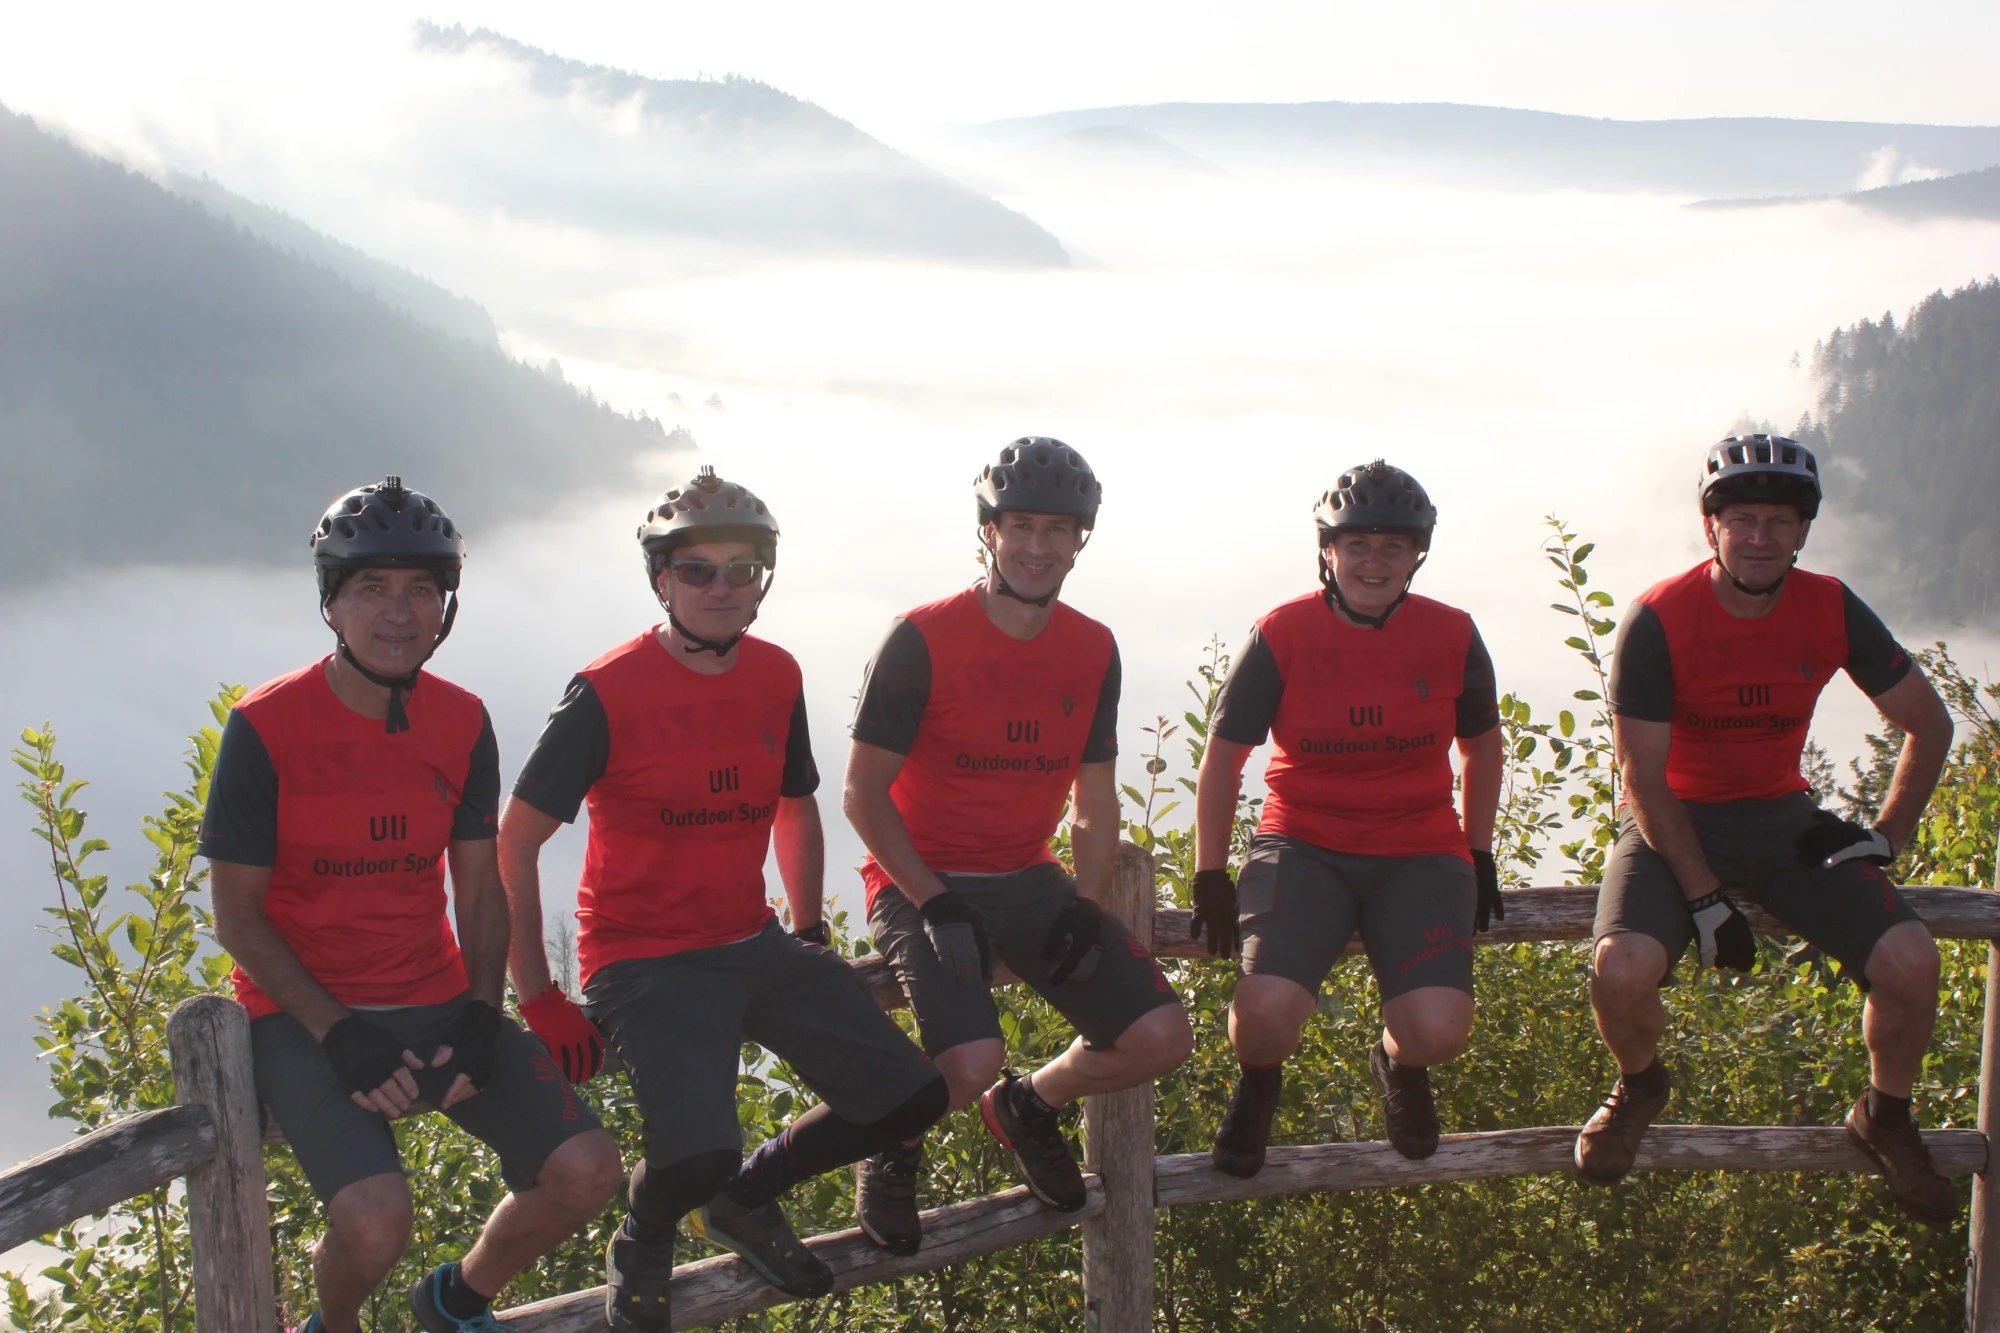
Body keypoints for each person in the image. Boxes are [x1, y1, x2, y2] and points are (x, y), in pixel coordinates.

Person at [499, 467, 948, 1333]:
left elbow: (793, 803)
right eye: (696, 569)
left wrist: (810, 928)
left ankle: (747, 1198)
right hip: (642, 956)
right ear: (661, 579)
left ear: (763, 580)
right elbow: (512, 841)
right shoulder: (605, 691)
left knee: (910, 1095)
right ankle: (647, 1229)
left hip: (753, 940)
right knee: (696, 1151)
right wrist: (540, 997)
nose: (721, 587)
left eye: (742, 570)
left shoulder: (776, 673)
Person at [202, 477, 622, 1333]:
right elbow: (237, 915)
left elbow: (476, 884)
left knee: (588, 1169)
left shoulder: (462, 720)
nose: (399, 613)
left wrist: (482, 1009)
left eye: (421, 589)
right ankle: (334, 1324)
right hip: (301, 1013)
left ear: (446, 606)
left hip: (435, 995)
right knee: (373, 1221)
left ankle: (454, 1300)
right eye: (371, 587)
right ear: (332, 604)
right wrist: (338, 1031)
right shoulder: (266, 727)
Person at [1576, 435, 1957, 1226]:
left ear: (1803, 531)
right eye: (1741, 518)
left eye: (1779, 521)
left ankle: (1885, 1115)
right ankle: (1639, 1083)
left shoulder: (1830, 604)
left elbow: (1930, 723)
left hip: (1782, 816)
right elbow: (1643, 779)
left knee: (1913, 960)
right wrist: (1704, 897)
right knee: (1619, 969)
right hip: (1672, 817)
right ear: (1711, 526)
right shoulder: (1661, 617)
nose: (1759, 537)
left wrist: (1890, 832)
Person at [844, 438, 1194, 1254]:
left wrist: (1084, 900)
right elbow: (862, 795)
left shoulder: (1092, 646)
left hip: (1028, 877)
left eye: (1058, 529)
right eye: (1020, 525)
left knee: (1161, 1039)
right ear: (989, 532)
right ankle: (892, 1145)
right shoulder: (920, 638)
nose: (1037, 545)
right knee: (966, 1062)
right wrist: (934, 901)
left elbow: (1095, 795)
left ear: (1081, 539)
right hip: (917, 876)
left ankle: (1032, 1103)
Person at [1191, 460, 1503, 1175]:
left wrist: (1478, 851)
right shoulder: (1282, 633)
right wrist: (1211, 872)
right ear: (1327, 550)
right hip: (1304, 840)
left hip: (1420, 846)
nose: (1374, 561)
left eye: (1394, 546)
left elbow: (1482, 746)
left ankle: (1399, 1062)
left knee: (1438, 1029)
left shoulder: (1452, 634)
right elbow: (1223, 758)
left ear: (1417, 555)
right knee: (1265, 1007)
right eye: (1356, 543)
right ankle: (1259, 1080)